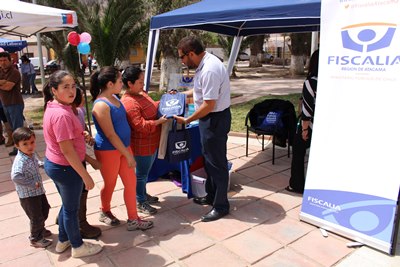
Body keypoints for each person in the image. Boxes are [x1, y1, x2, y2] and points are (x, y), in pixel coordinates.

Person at [42, 70, 102, 258]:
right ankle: (78, 246)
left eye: (73, 86)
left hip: (56, 164)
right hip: (66, 168)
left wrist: (79, 134)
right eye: (65, 87)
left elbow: (67, 139)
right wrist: (85, 176)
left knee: (67, 205)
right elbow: (68, 151)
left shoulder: (55, 107)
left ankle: (63, 240)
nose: (71, 91)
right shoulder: (61, 115)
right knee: (71, 209)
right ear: (54, 90)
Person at [174, 36, 231, 222]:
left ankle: (221, 205)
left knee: (217, 163)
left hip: (214, 119)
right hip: (210, 119)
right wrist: (181, 95)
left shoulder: (209, 70)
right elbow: (200, 92)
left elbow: (208, 104)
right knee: (208, 160)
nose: (182, 61)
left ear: (191, 53)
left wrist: (188, 119)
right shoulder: (203, 65)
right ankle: (211, 195)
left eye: (182, 57)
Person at [90, 66, 154, 230]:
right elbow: (111, 135)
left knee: (131, 183)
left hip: (123, 148)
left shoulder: (115, 98)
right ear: (110, 84)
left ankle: (133, 218)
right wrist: (128, 154)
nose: (122, 83)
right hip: (108, 151)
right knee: (110, 183)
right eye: (119, 81)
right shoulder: (101, 105)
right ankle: (104, 211)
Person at [121, 66, 167, 215]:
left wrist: (168, 100)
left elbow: (152, 106)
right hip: (142, 145)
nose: (143, 84)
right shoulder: (129, 102)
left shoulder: (141, 93)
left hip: (152, 142)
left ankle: (142, 194)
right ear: (130, 83)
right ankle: (140, 201)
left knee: (144, 174)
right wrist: (158, 122)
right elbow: (139, 126)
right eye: (140, 82)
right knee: (140, 175)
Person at [11, 127, 52, 248]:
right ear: (17, 145)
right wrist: (32, 183)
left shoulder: (30, 154)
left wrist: (44, 165)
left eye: (32, 142)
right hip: (28, 195)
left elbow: (36, 162)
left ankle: (40, 229)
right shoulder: (20, 161)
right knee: (36, 216)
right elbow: (15, 177)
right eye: (25, 144)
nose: (30, 146)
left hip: (38, 191)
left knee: (45, 209)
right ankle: (35, 238)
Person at [286, 49, 319, 194]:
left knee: (298, 153)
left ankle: (296, 185)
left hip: (310, 125)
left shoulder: (311, 83)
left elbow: (307, 110)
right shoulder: (333, 82)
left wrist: (305, 129)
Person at [0, 51, 24, 156]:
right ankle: (18, 146)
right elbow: (4, 85)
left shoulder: (14, 72)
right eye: (0, 61)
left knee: (17, 127)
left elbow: (8, 87)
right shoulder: (1, 72)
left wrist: (3, 83)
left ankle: (20, 148)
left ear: (10, 60)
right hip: (5, 104)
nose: (2, 63)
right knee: (12, 127)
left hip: (15, 103)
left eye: (5, 60)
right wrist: (3, 82)